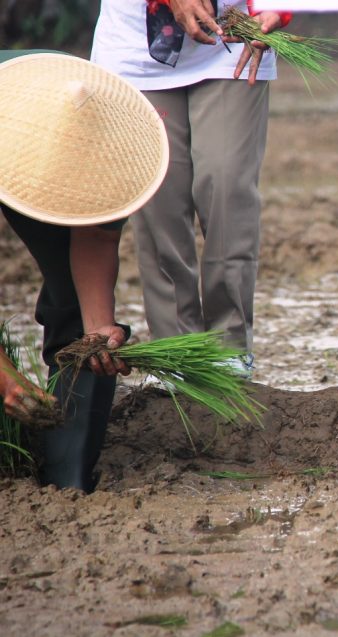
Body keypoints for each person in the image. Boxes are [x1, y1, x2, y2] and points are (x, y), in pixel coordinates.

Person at [90, 0, 293, 376]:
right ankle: (176, 350)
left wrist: (278, 9)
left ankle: (229, 346)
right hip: (137, 49)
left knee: (227, 187)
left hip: (233, 36)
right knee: (159, 205)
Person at [0, 51, 169, 492]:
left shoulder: (108, 140)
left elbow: (95, 237)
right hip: (16, 141)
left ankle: (67, 482)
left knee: (81, 322)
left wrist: (97, 329)